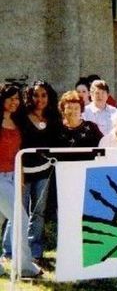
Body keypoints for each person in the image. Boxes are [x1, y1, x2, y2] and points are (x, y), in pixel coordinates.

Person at [9, 80, 62, 262]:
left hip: (44, 172)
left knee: (38, 212)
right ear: (30, 96)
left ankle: (35, 250)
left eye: (43, 95)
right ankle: (10, 250)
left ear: (49, 97)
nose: (40, 99)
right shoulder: (21, 117)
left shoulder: (54, 118)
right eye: (36, 95)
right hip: (23, 171)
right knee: (17, 210)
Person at [0, 83, 42, 277]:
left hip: (13, 175)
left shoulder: (18, 121)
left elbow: (19, 153)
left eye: (17, 98)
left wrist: (21, 177)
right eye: (11, 98)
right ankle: (24, 266)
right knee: (21, 218)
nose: (14, 102)